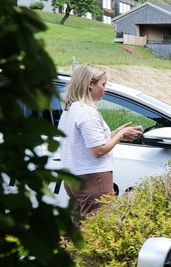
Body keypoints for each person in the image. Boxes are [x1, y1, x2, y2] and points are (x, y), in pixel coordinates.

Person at [58, 63, 142, 216]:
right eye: (103, 84)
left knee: (80, 225)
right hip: (93, 178)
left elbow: (87, 142)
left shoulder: (71, 109)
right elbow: (98, 150)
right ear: (90, 83)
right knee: (97, 228)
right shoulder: (87, 112)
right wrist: (120, 135)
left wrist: (116, 133)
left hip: (74, 177)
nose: (106, 88)